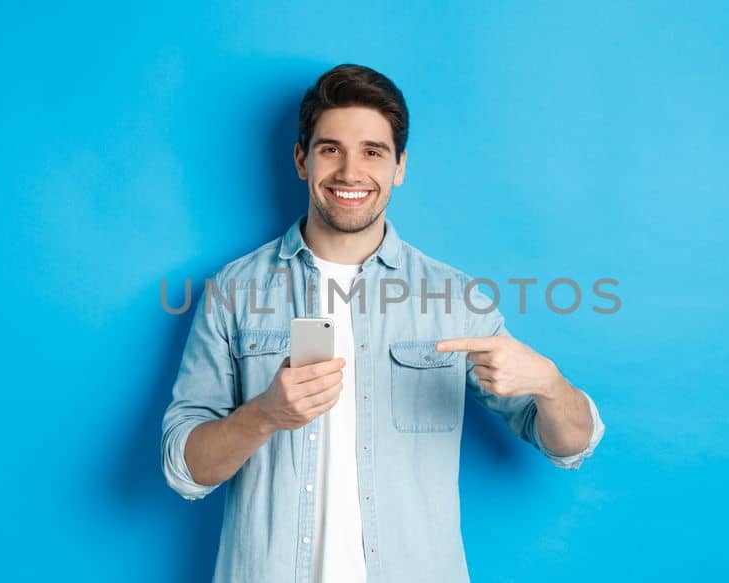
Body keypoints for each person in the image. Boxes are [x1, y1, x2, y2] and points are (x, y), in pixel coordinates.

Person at [160, 63, 605, 583]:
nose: (351, 172)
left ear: (399, 167)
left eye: (373, 152)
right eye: (331, 149)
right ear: (302, 160)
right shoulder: (234, 291)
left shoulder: (454, 299)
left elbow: (571, 444)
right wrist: (265, 414)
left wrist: (550, 385)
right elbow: (183, 468)